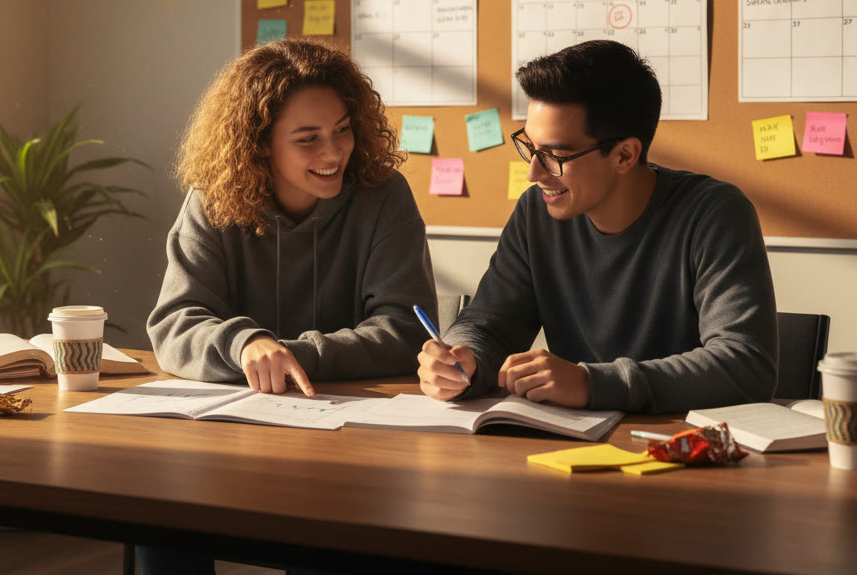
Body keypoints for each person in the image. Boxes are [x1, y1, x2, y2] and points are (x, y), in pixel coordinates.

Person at [142, 39, 435, 574]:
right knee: (159, 517)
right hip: (229, 437)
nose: (333, 153)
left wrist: (292, 355)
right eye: (308, 139)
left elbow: (404, 329)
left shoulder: (383, 197)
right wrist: (243, 343)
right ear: (260, 145)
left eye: (342, 130)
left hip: (351, 445)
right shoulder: (214, 199)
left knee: (322, 539)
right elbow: (175, 321)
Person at [418, 39, 777, 413]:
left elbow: (745, 364)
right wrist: (463, 359)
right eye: (530, 147)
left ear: (625, 154)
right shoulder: (536, 212)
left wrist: (592, 383)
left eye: (556, 156)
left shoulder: (714, 214)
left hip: (682, 449)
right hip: (569, 446)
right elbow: (489, 324)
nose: (533, 172)